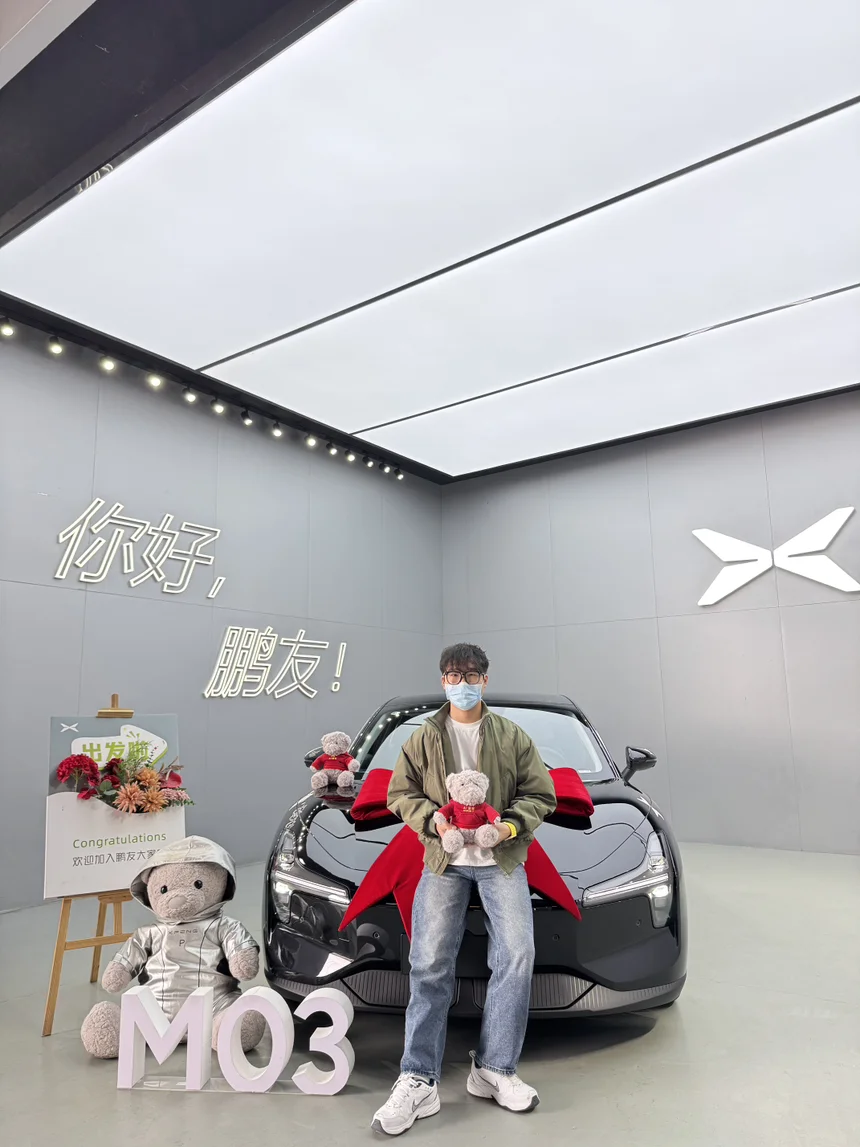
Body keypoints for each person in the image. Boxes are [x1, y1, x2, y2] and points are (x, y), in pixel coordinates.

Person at [372, 643, 557, 1136]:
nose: (463, 683)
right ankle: (419, 1078)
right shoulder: (424, 737)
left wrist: (509, 827)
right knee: (429, 962)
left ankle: (494, 1068)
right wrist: (432, 820)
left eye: (472, 675)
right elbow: (399, 792)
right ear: (443, 681)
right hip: (444, 861)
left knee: (517, 953)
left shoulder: (512, 735)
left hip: (501, 860)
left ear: (485, 681)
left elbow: (541, 793)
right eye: (454, 675)